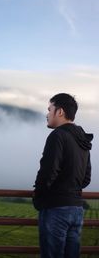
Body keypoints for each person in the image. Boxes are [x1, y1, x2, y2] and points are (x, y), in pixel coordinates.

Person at [33, 93, 93, 258]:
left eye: (49, 109)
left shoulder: (57, 135)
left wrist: (39, 199)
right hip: (76, 209)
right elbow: (86, 178)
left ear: (59, 112)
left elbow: (47, 172)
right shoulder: (82, 139)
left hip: (56, 208)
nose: (47, 114)